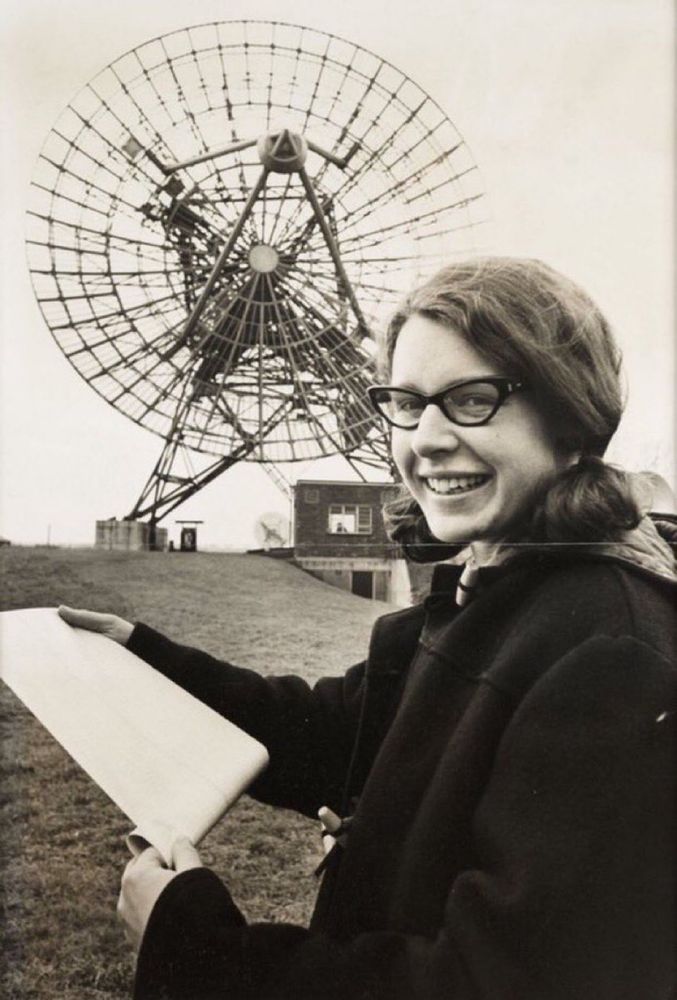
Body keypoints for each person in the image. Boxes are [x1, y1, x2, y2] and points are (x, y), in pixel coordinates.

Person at [59, 257, 676, 1000]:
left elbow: (495, 982)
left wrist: (199, 947)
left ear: (572, 415)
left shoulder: (611, 654)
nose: (428, 438)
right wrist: (143, 655)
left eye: (473, 399)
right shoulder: (490, 593)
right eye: (407, 403)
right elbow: (338, 733)